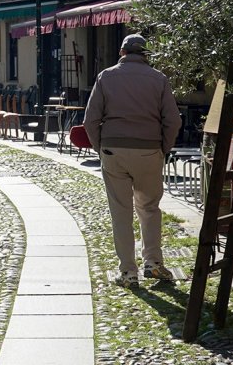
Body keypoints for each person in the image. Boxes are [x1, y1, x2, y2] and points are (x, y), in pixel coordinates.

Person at [83, 34, 182, 288]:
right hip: (149, 150)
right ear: (146, 54)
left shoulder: (106, 76)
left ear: (122, 51)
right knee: (149, 208)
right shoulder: (159, 79)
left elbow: (90, 120)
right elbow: (173, 120)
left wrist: (100, 148)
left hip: (114, 149)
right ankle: (153, 263)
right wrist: (163, 148)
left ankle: (128, 272)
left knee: (121, 212)